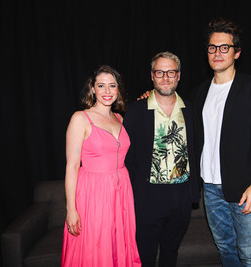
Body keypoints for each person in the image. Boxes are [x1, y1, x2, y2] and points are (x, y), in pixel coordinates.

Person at [193, 17, 251, 266]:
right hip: (209, 188)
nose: (217, 53)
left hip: (245, 188)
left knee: (249, 253)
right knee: (225, 249)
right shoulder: (199, 93)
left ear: (237, 52)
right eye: (212, 47)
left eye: (224, 47)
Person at [123, 51, 200, 267]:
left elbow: (198, 148)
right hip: (148, 198)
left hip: (181, 196)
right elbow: (127, 158)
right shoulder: (135, 111)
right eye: (160, 72)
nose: (165, 77)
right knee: (145, 257)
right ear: (152, 75)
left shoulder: (192, 110)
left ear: (179, 75)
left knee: (170, 253)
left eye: (171, 72)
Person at [61, 65, 141, 266]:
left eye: (112, 86)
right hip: (93, 194)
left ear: (118, 90)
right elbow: (71, 166)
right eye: (101, 85)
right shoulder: (81, 119)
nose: (107, 91)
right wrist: (71, 209)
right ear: (93, 89)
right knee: (95, 248)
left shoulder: (120, 118)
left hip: (121, 192)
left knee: (118, 244)